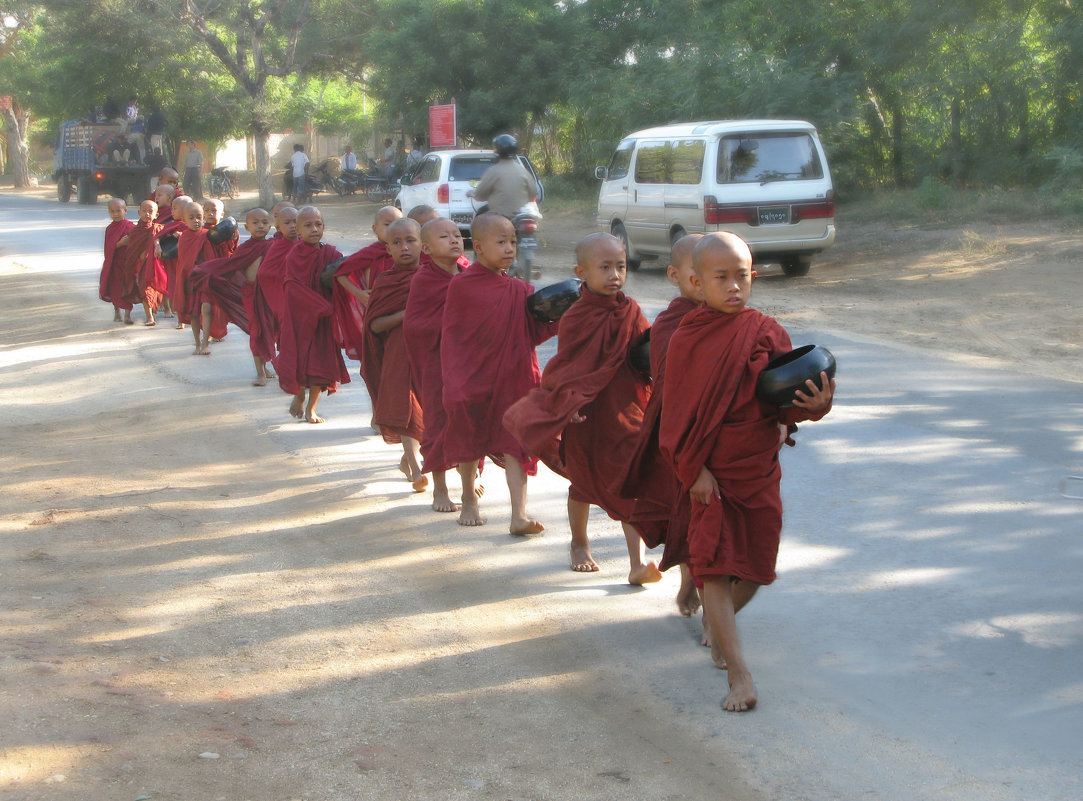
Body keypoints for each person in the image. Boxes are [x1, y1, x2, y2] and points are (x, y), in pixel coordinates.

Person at [659, 232, 834, 712]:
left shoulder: (766, 331)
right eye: (722, 278)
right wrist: (692, 470)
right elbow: (674, 415)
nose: (735, 286)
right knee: (714, 567)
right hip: (710, 473)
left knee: (757, 566)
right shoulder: (687, 340)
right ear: (696, 281)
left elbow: (787, 400)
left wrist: (818, 406)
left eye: (743, 275)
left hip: (757, 467)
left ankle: (720, 628)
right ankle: (739, 673)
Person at [503, 233, 663, 585]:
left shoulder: (630, 310)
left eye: (620, 267)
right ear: (581, 271)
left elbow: (647, 355)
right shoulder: (576, 316)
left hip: (627, 408)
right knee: (583, 482)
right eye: (605, 268)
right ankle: (579, 542)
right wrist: (565, 403)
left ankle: (636, 563)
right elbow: (567, 366)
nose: (615, 275)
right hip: (586, 413)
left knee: (630, 481)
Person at [440, 212, 558, 532]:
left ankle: (518, 515)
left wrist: (563, 315)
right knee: (470, 438)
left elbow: (532, 331)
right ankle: (468, 498)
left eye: (513, 242)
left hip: (514, 377)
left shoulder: (520, 289)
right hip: (473, 379)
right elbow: (453, 336)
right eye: (501, 242)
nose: (509, 248)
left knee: (516, 442)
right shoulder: (461, 286)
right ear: (478, 246)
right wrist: (455, 382)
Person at [619, 234, 705, 616]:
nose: (714, 282)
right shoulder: (672, 323)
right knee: (689, 517)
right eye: (699, 272)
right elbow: (673, 386)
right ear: (674, 274)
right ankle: (693, 584)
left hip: (728, 439)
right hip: (684, 437)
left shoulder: (744, 323)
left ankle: (702, 590)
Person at [404, 217, 468, 513]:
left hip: (468, 361)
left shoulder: (471, 273)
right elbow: (416, 325)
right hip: (435, 362)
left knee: (470, 420)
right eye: (445, 237)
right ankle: (440, 489)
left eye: (457, 235)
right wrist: (450, 323)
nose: (455, 240)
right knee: (439, 421)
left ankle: (468, 486)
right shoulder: (424, 279)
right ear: (427, 248)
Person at [360, 218, 427, 492]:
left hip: (428, 354)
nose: (404, 248)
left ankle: (407, 459)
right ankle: (415, 467)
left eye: (410, 240)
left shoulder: (436, 275)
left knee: (429, 410)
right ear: (388, 249)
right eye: (396, 243)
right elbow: (374, 324)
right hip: (397, 355)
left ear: (423, 244)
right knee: (406, 409)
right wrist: (405, 314)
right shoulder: (386, 282)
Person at [273, 206, 351, 423]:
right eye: (308, 225)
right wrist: (319, 305)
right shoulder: (293, 256)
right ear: (298, 229)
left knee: (320, 363)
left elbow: (344, 274)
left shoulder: (330, 253)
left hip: (323, 320)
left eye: (318, 224)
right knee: (299, 360)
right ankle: (299, 396)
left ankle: (312, 408)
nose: (314, 229)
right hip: (300, 317)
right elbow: (292, 287)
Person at [189, 208, 275, 373]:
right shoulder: (245, 248)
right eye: (255, 223)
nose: (260, 226)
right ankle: (260, 372)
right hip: (250, 294)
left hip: (267, 295)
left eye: (264, 222)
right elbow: (230, 266)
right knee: (257, 332)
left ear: (270, 225)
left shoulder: (272, 245)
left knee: (268, 332)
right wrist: (208, 274)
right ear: (247, 227)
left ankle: (266, 367)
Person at [331, 205, 403, 364]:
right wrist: (359, 294)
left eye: (398, 223)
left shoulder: (408, 251)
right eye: (387, 224)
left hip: (403, 314)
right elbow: (340, 273)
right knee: (380, 359)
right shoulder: (371, 252)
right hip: (378, 312)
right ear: (375, 228)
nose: (393, 229)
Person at [250, 203, 299, 367]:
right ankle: (288, 369)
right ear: (277, 226)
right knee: (288, 334)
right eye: (287, 223)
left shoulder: (306, 245)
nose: (293, 226)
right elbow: (265, 274)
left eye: (296, 222)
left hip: (304, 299)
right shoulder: (276, 246)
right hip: (282, 298)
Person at [118, 199, 168, 327]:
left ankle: (150, 317)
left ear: (156, 215)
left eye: (150, 212)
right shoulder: (135, 231)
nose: (147, 214)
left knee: (147, 289)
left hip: (149, 266)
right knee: (130, 288)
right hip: (134, 265)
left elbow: (167, 235)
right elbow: (132, 247)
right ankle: (127, 315)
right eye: (144, 211)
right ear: (139, 212)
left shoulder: (157, 228)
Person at [471, 134, 538, 219]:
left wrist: (473, 194)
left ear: (497, 151)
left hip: (500, 216)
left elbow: (480, 195)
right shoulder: (523, 171)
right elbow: (533, 193)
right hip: (521, 215)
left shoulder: (494, 171)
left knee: (481, 220)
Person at [99, 198, 136, 324]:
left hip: (127, 264)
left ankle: (127, 315)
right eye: (112, 211)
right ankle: (117, 311)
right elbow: (108, 248)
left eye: (118, 211)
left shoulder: (130, 227)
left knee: (127, 288)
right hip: (114, 264)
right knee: (115, 289)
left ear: (125, 211)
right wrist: (119, 244)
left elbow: (137, 244)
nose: (115, 214)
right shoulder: (110, 229)